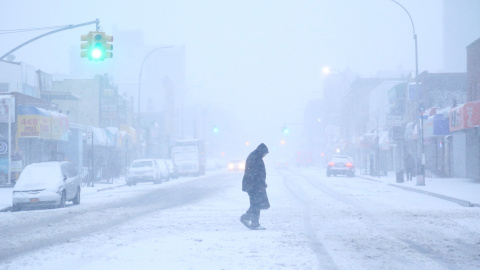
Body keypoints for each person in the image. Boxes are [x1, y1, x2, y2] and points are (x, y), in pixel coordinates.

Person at [240, 143, 270, 230]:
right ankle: (251, 221)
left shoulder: (255, 157)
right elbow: (255, 174)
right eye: (264, 153)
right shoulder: (255, 158)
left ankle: (252, 222)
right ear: (261, 151)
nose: (264, 155)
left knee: (256, 203)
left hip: (253, 185)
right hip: (254, 186)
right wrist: (259, 186)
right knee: (256, 203)